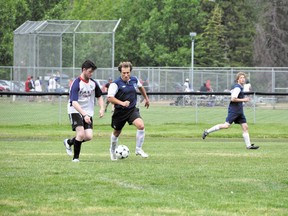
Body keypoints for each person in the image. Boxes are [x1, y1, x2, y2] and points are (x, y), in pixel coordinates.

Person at [202, 72, 259, 150]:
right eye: (241, 78)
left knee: (245, 127)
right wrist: (244, 99)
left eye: (243, 77)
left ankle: (248, 146)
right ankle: (207, 131)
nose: (243, 79)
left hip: (240, 111)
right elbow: (233, 98)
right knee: (226, 126)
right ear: (238, 80)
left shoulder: (239, 87)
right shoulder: (238, 88)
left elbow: (232, 93)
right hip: (234, 111)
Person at [63, 60, 105, 162]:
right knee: (81, 134)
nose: (91, 74)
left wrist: (102, 108)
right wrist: (84, 115)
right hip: (75, 110)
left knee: (88, 136)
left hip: (87, 112)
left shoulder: (93, 83)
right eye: (90, 71)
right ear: (84, 70)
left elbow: (99, 96)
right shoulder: (76, 83)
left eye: (92, 72)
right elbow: (74, 102)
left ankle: (69, 142)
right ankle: (75, 158)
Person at [107, 61, 150, 161]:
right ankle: (112, 150)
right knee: (116, 133)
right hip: (120, 112)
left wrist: (146, 99)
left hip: (131, 110)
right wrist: (122, 103)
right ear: (120, 72)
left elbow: (141, 87)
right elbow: (110, 98)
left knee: (141, 125)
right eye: (124, 73)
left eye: (128, 73)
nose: (126, 75)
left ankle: (138, 149)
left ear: (130, 72)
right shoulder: (115, 84)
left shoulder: (134, 80)